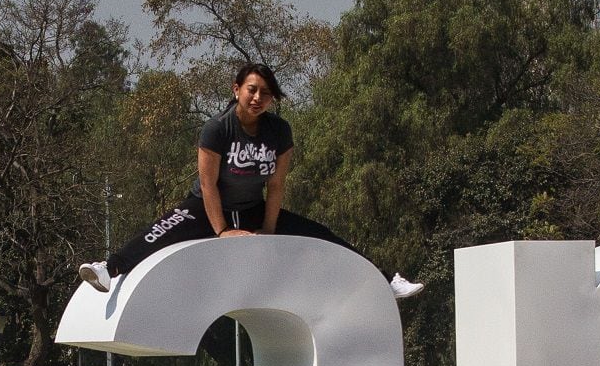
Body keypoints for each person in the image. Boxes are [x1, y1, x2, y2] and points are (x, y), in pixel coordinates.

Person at [77, 63, 423, 301]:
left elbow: (275, 186)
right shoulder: (217, 128)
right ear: (237, 89)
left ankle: (387, 280)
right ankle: (107, 268)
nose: (258, 98)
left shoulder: (279, 131)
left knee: (323, 236)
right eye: (252, 90)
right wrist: (222, 231)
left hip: (253, 210)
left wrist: (270, 230)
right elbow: (208, 184)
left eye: (266, 93)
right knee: (158, 231)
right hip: (206, 208)